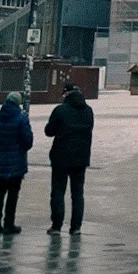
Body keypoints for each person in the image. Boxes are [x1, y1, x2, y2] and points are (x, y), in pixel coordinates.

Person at [45, 84, 93, 235]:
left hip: (61, 157)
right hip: (81, 158)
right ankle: (76, 227)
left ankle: (56, 226)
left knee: (58, 191)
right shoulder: (88, 110)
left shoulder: (60, 110)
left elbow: (49, 131)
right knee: (77, 193)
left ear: (66, 94)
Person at [0, 90, 33, 234]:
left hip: (0, 159)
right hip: (16, 161)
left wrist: (2, 144)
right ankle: (9, 224)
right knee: (13, 194)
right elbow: (28, 141)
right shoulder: (21, 118)